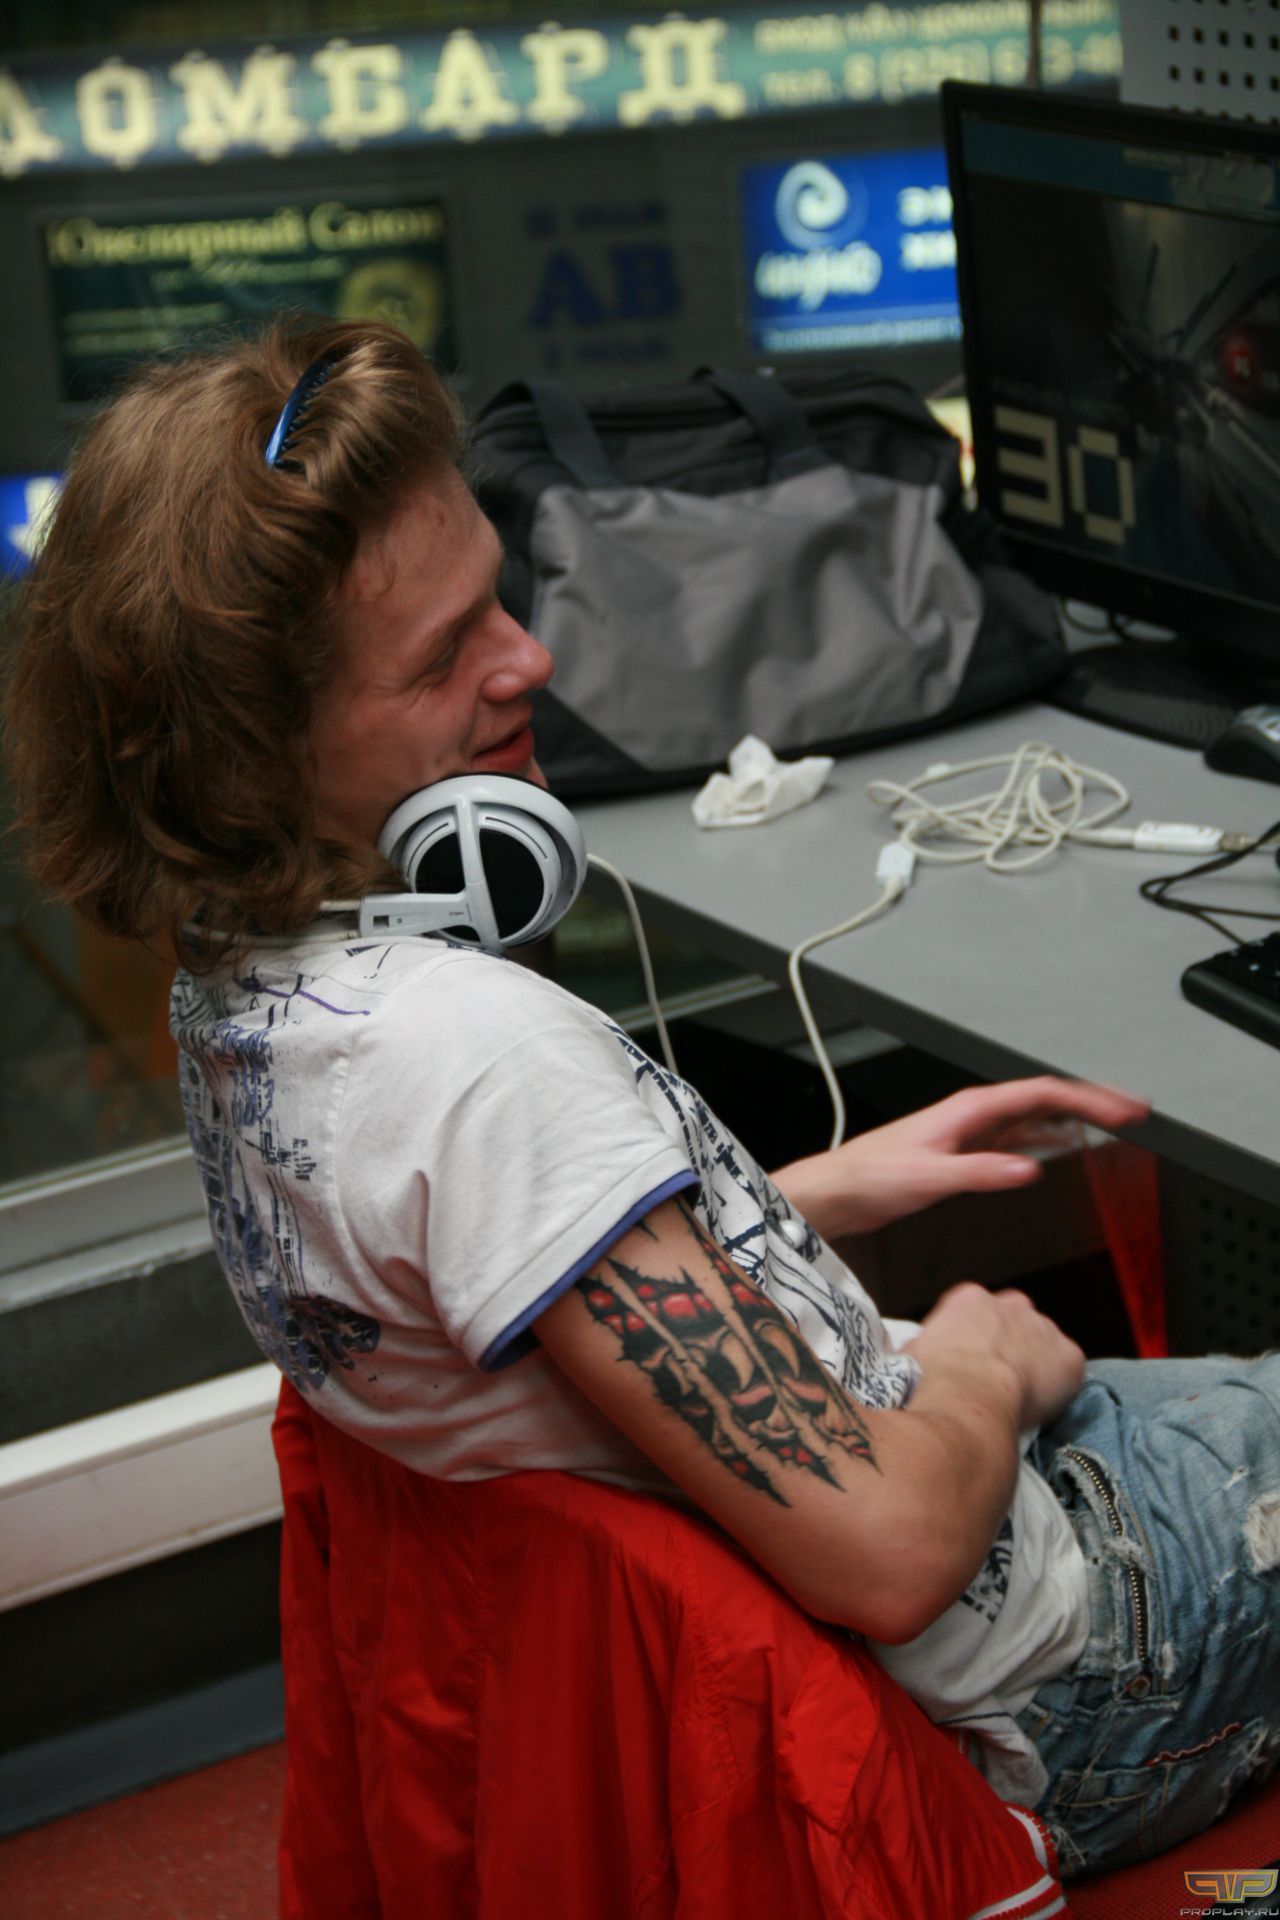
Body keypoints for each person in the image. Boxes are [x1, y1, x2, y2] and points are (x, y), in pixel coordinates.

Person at [6, 318, 1280, 1881]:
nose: (529, 661)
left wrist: (818, 1191)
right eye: (444, 658)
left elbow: (487, 1300)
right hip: (1073, 1668)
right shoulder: (476, 1063)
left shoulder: (240, 1002)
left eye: (499, 599)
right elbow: (891, 1555)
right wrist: (983, 1360)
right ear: (248, 765)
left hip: (965, 1513)